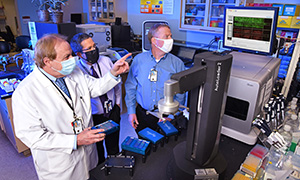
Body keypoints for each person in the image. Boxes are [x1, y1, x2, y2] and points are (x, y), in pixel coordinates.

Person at [12, 34, 130, 180]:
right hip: (60, 164)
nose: (73, 60)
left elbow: (94, 88)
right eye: (67, 57)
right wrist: (74, 141)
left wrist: (113, 74)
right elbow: (31, 136)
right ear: (48, 61)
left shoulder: (73, 72)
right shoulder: (26, 92)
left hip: (87, 154)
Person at [70, 33, 121, 164]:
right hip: (93, 116)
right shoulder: (76, 71)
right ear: (79, 54)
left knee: (113, 146)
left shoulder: (106, 61)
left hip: (112, 111)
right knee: (97, 151)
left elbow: (116, 85)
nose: (94, 50)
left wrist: (118, 105)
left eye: (94, 46)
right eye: (89, 49)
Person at [125, 23, 186, 133]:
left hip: (165, 117)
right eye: (166, 36)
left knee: (163, 148)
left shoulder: (177, 64)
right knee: (144, 145)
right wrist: (131, 111)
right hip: (142, 115)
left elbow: (181, 93)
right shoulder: (139, 60)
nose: (170, 39)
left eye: (171, 36)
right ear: (154, 40)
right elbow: (130, 87)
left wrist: (171, 116)